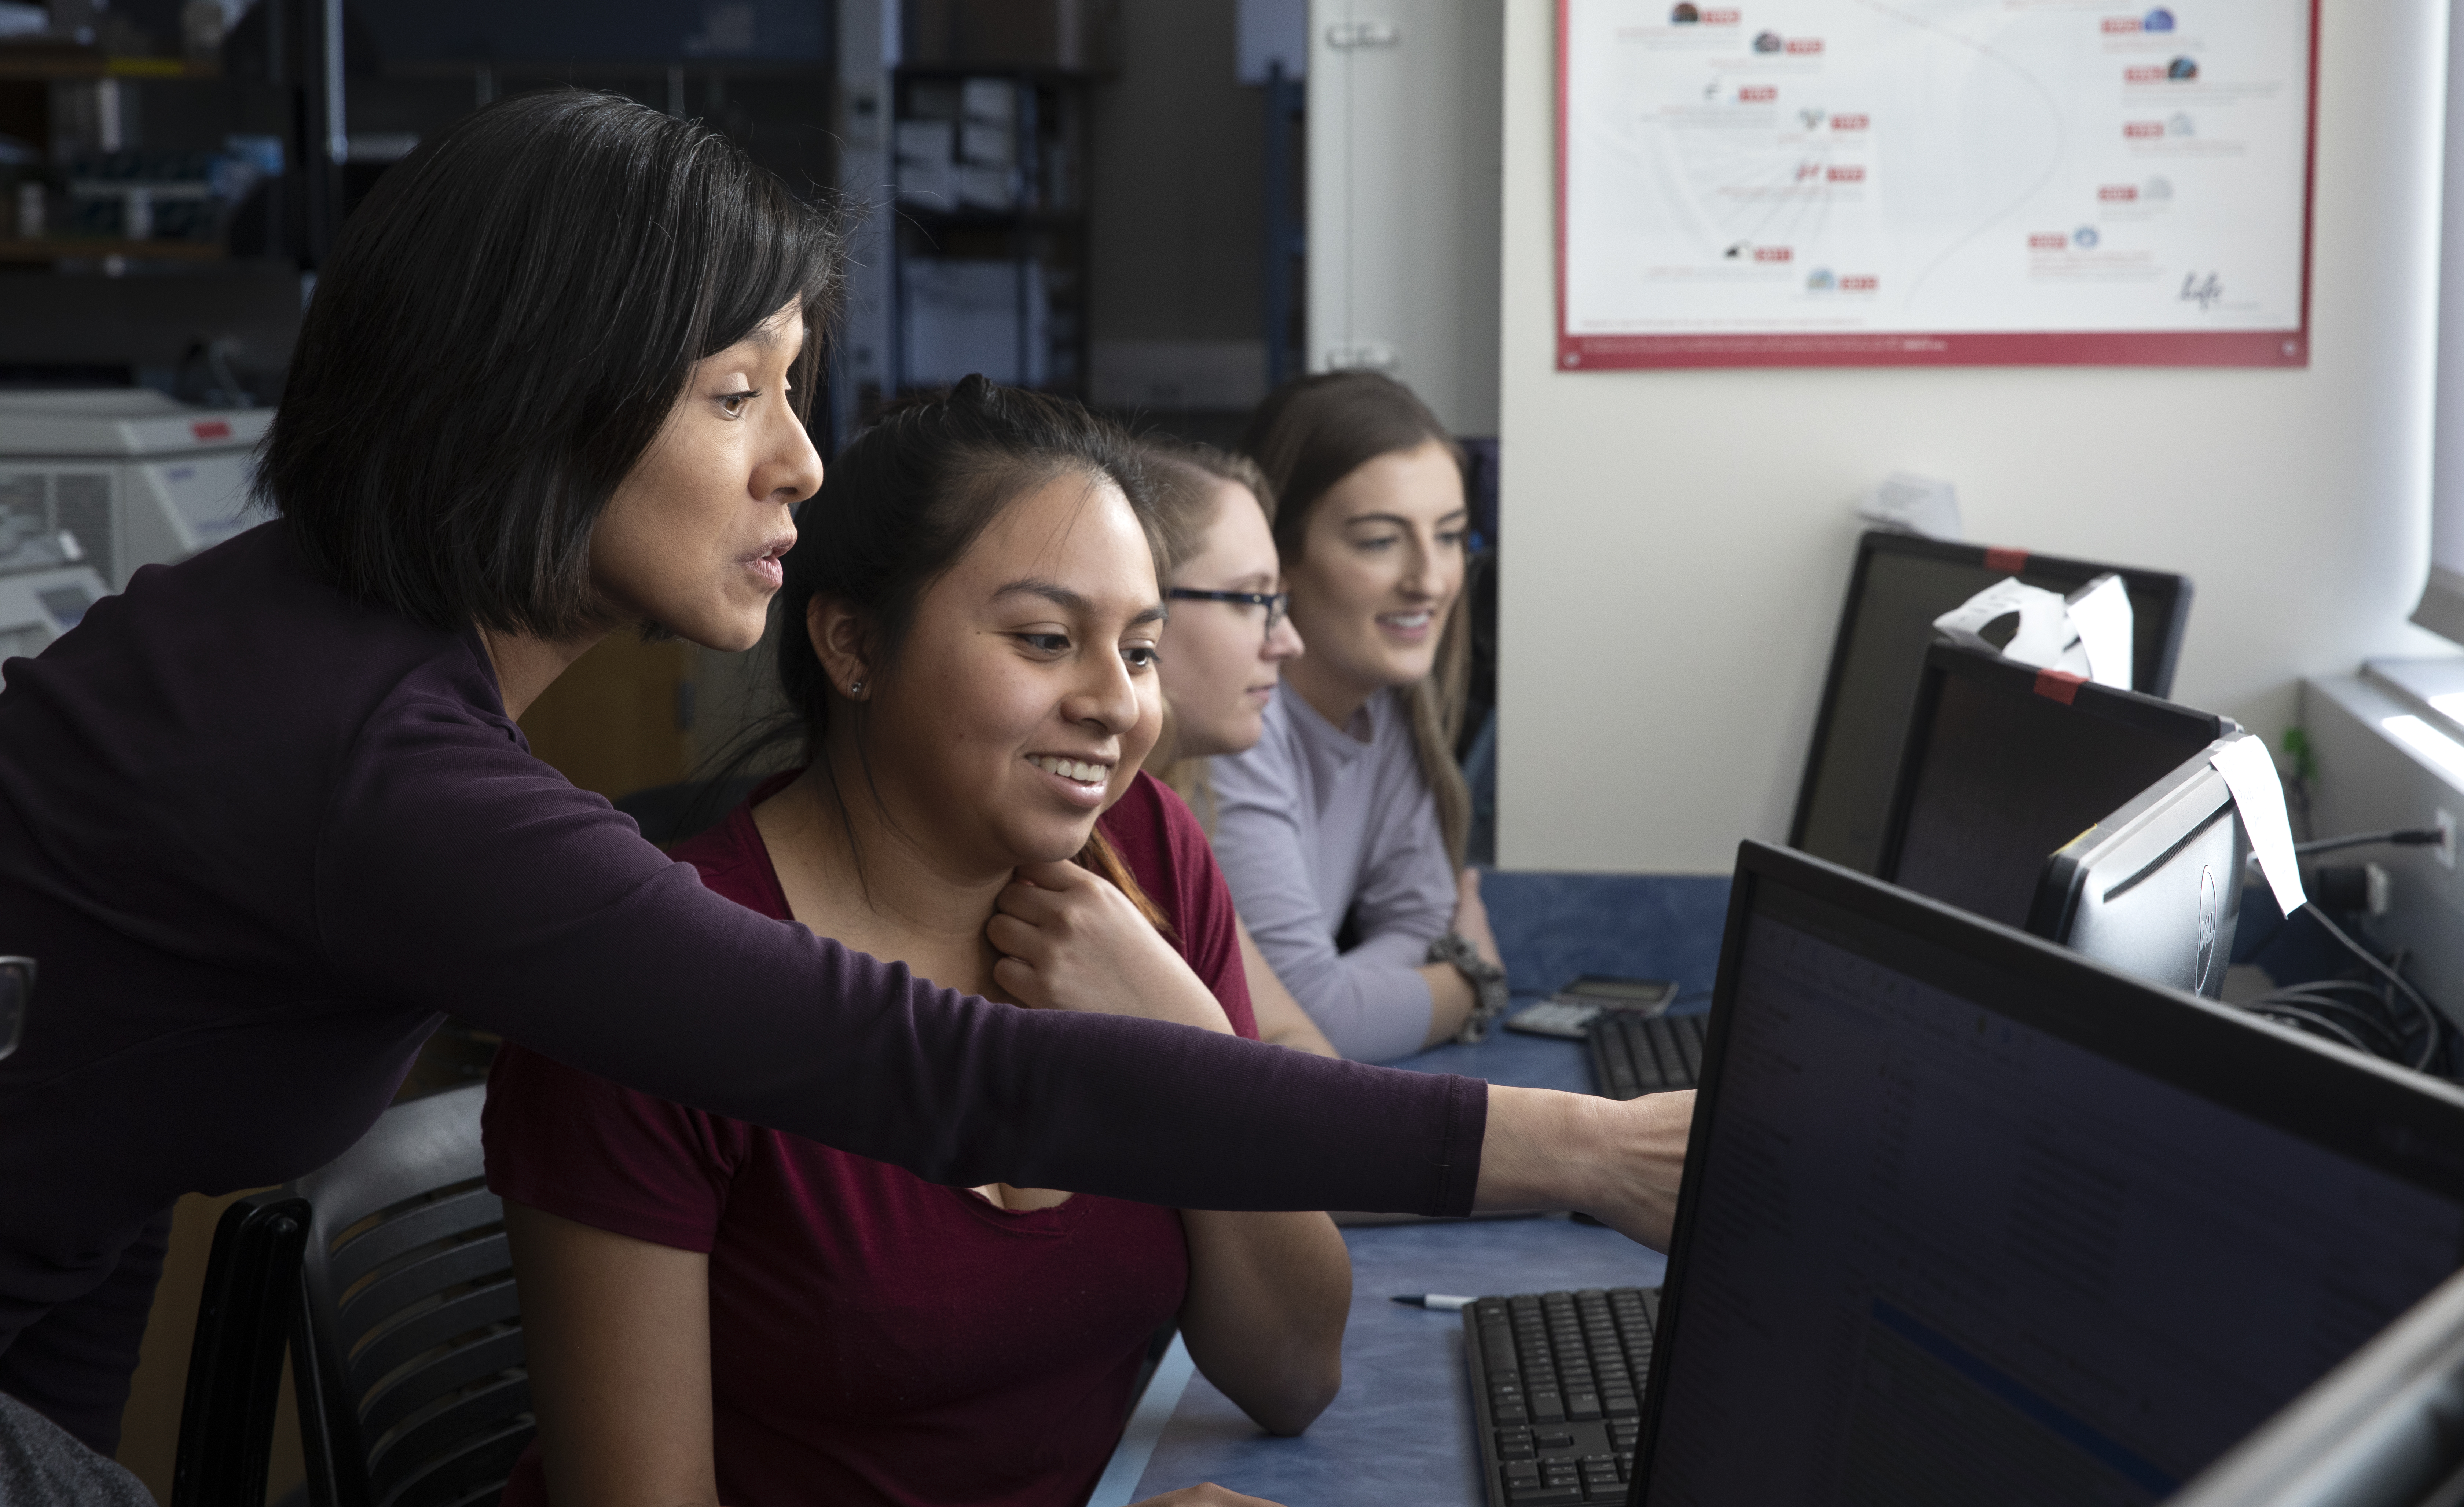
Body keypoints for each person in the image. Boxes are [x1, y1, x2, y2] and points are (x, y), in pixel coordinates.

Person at [0, 90, 1690, 1461]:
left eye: (792, 391)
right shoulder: (375, 760)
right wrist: (1575, 1152)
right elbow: (936, 1074)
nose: (801, 460)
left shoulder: (312, 657)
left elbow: (88, 1169)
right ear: (528, 402)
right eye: (737, 392)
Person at [484, 386, 1349, 1507]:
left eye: (1138, 652)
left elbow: (1293, 1371)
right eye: (1046, 641)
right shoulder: (651, 982)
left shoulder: (1143, 860)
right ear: (852, 643)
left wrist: (1184, 1040)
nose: (1113, 705)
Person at [1211, 373, 1507, 1062]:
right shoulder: (1231, 734)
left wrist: (1352, 991)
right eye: (1380, 541)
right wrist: (1468, 982)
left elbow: (1423, 922)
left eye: (1451, 537)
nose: (1430, 580)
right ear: (1277, 561)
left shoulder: (1383, 709)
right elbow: (1315, 1025)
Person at [1141, 442, 1338, 1057]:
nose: (1289, 642)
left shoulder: (1173, 818)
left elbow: (1301, 1043)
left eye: (1278, 602)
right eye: (1253, 600)